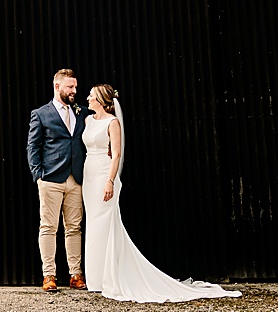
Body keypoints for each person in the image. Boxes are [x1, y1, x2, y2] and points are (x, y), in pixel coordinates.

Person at [80, 84, 243, 303]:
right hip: (88, 174)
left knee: (106, 224)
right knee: (93, 223)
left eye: (91, 95)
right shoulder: (88, 121)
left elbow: (116, 154)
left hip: (103, 173)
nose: (87, 98)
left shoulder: (113, 122)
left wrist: (110, 181)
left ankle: (109, 276)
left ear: (100, 99)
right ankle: (95, 278)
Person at [28, 68, 90, 292]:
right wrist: (38, 175)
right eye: (70, 87)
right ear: (57, 87)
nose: (74, 90)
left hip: (76, 178)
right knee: (48, 227)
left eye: (75, 86)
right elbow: (33, 146)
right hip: (50, 179)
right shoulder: (41, 113)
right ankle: (49, 275)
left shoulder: (82, 112)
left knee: (74, 228)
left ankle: (76, 274)